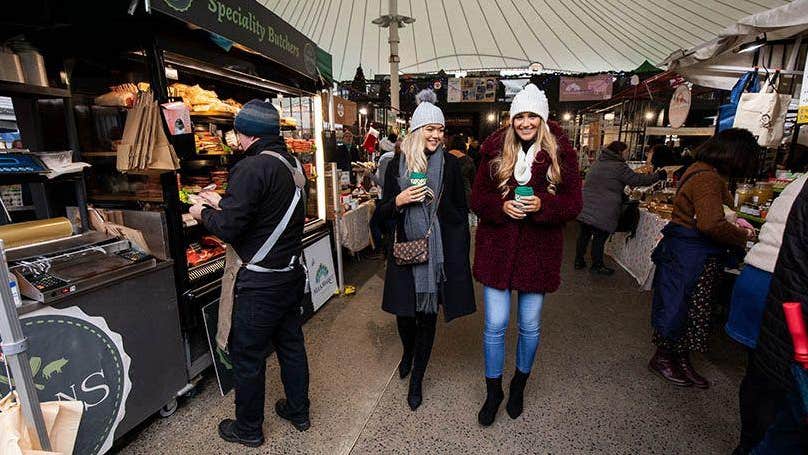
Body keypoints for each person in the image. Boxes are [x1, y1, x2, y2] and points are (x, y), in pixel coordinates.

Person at [189, 99, 310, 447]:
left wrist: (202, 211)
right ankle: (298, 411)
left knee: (248, 358)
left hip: (259, 284)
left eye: (237, 132)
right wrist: (223, 203)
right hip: (289, 273)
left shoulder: (250, 168)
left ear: (248, 135)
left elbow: (228, 228)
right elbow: (266, 212)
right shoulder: (291, 163)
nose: (235, 139)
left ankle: (248, 429)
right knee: (291, 345)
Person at [471, 84, 582, 426]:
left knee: (530, 325)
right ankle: (494, 392)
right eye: (520, 115)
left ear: (543, 119)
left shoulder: (562, 155)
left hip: (538, 253)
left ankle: (519, 384)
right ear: (512, 119)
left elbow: (573, 204)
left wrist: (543, 205)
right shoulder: (493, 152)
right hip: (497, 251)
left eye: (532, 115)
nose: (526, 122)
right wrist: (500, 206)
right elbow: (477, 199)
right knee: (495, 324)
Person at [378, 90, 475, 411]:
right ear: (416, 131)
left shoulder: (449, 165)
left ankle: (417, 377)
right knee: (405, 315)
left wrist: (458, 254)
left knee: (427, 317)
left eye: (440, 129)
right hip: (405, 249)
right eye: (429, 129)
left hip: (436, 255)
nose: (436, 135)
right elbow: (381, 212)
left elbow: (460, 213)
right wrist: (399, 201)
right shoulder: (396, 164)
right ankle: (408, 352)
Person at [649, 128, 759, 389]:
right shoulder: (708, 178)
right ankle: (664, 357)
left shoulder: (701, 171)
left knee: (685, 306)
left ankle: (680, 357)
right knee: (681, 305)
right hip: (691, 254)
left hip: (689, 253)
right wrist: (742, 234)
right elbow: (710, 223)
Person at [726, 173, 807, 454]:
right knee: (779, 391)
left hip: (762, 278)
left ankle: (749, 443)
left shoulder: (796, 184)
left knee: (763, 378)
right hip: (786, 294)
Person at [575, 141, 666, 275]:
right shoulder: (619, 166)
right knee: (600, 236)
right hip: (603, 208)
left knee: (584, 234)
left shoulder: (598, 163)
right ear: (619, 152)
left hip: (586, 205)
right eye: (626, 151)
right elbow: (637, 180)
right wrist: (658, 176)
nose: (627, 153)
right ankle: (597, 265)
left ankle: (579, 260)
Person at [368, 133, 398, 256]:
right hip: (394, 200)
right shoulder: (397, 159)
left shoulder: (385, 159)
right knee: (388, 226)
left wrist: (369, 174)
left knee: (374, 223)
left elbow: (384, 183)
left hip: (386, 199)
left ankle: (382, 250)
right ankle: (388, 250)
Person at [447, 134, 476, 208]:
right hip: (465, 193)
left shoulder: (444, 157)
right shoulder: (468, 160)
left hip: (448, 193)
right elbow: (473, 179)